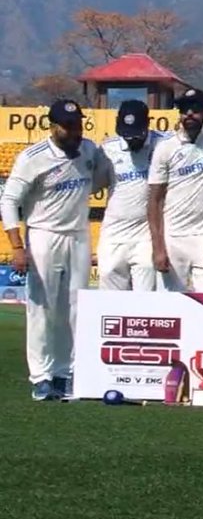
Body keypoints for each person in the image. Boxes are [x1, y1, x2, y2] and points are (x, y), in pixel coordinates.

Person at [1, 99, 101, 401]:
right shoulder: (33, 158)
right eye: (68, 126)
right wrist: (17, 246)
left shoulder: (89, 150)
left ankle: (66, 373)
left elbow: (101, 180)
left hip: (79, 235)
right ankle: (41, 377)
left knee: (75, 308)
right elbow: (8, 201)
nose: (75, 131)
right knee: (42, 308)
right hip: (44, 235)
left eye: (78, 124)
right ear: (53, 126)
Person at [150, 87, 203, 292]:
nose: (190, 114)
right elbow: (155, 201)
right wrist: (158, 247)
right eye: (185, 109)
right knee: (170, 308)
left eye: (196, 109)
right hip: (173, 237)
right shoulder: (165, 147)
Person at [95, 100, 165, 292]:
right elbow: (92, 185)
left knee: (145, 296)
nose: (131, 140)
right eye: (126, 135)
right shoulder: (107, 150)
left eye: (136, 134)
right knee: (110, 297)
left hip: (147, 233)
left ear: (147, 124)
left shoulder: (164, 144)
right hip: (114, 232)